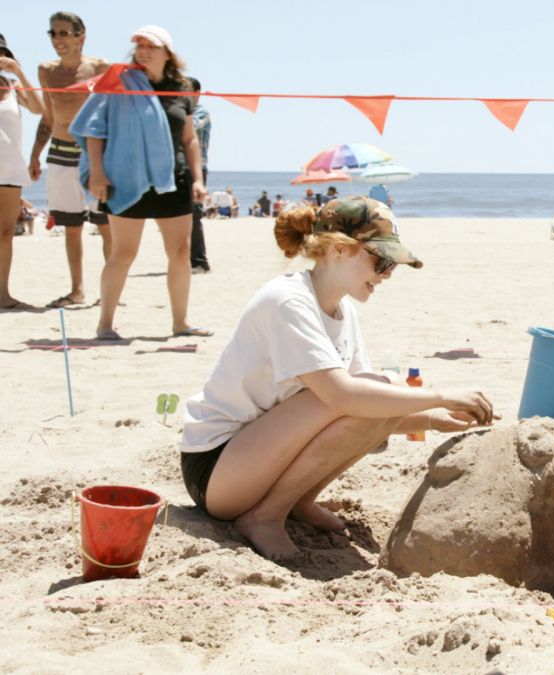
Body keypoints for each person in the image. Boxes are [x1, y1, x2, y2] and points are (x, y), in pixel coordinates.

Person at [179, 197, 497, 559]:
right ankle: (265, 516)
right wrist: (440, 396)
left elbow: (364, 412)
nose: (389, 272)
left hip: (252, 459)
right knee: (376, 389)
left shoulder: (341, 308)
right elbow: (344, 398)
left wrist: (431, 419)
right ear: (337, 249)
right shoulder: (289, 301)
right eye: (381, 259)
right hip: (215, 469)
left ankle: (300, 500)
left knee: (380, 393)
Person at [73, 25, 209, 340]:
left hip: (172, 177)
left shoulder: (182, 87)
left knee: (180, 251)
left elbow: (189, 139)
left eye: (151, 45)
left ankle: (180, 323)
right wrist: (97, 172)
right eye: (139, 45)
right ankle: (105, 324)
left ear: (168, 53)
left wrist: (198, 179)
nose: (143, 50)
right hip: (125, 176)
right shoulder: (119, 81)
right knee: (123, 253)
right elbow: (94, 128)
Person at [29, 12, 111, 309]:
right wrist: (35, 154)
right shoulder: (46, 71)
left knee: (105, 224)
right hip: (60, 152)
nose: (58, 39)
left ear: (81, 36)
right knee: (71, 225)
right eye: (53, 33)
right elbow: (49, 115)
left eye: (64, 33)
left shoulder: (100, 68)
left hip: (93, 153)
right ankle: (77, 290)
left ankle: (110, 290)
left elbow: (111, 110)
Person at [0, 35, 45, 310]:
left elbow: (40, 108)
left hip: (9, 170)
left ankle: (2, 295)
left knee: (5, 234)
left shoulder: (14, 86)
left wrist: (19, 72)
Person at [188, 77, 211, 274]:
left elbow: (190, 127)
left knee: (194, 214)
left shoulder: (201, 113)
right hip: (181, 168)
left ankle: (199, 262)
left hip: (197, 169)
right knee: (183, 215)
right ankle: (189, 260)